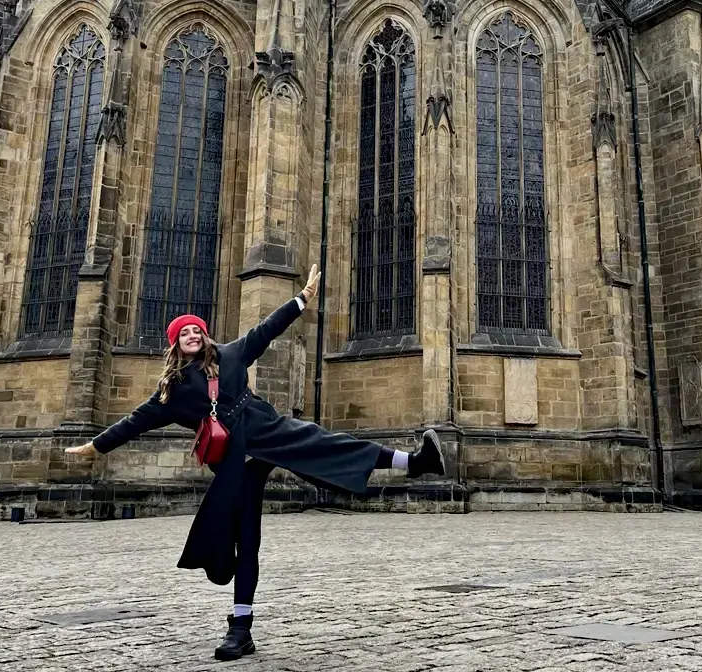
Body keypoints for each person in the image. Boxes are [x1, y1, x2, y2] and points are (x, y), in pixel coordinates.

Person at [65, 265, 445, 660]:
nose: (192, 335)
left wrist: (302, 299)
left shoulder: (231, 354)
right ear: (175, 344)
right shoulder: (173, 392)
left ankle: (415, 462)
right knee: (246, 541)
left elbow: (266, 329)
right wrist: (95, 447)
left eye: (196, 329)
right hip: (235, 464)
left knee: (328, 443)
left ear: (204, 334)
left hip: (268, 431)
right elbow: (135, 421)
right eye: (183, 333)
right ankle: (240, 628)